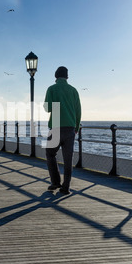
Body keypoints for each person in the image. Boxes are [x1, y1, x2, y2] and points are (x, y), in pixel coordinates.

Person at [44, 66, 81, 194]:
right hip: (70, 129)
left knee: (50, 154)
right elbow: (78, 111)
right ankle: (66, 187)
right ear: (67, 77)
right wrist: (76, 127)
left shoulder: (52, 89)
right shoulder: (73, 91)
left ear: (55, 76)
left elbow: (47, 108)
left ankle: (55, 182)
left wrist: (55, 104)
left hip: (55, 127)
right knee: (68, 159)